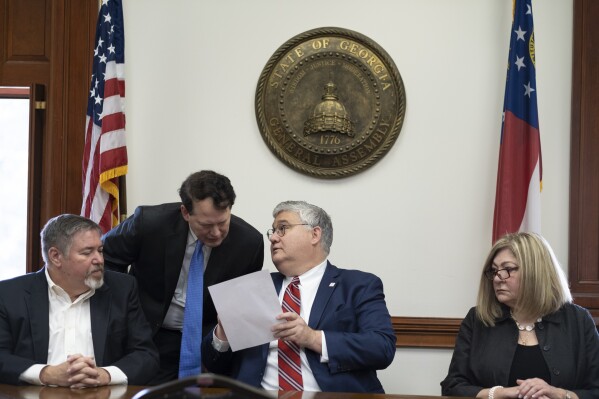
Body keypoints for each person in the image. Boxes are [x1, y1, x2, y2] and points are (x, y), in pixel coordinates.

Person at [202, 200, 396, 393]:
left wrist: (312, 338)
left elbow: (381, 348)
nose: (273, 238)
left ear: (314, 234)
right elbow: (214, 365)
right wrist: (223, 335)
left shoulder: (358, 285)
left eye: (283, 228)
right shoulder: (253, 288)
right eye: (273, 231)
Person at [102, 170, 264, 384]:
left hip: (207, 341)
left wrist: (220, 344)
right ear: (185, 213)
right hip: (147, 334)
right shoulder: (150, 223)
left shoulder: (249, 244)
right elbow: (106, 257)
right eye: (206, 225)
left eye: (222, 222)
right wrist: (122, 311)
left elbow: (242, 310)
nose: (216, 232)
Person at [0, 214, 159, 387]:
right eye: (87, 252)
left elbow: (146, 355)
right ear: (55, 256)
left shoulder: (122, 289)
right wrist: (46, 373)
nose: (99, 260)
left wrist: (105, 375)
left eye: (100, 250)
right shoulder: (10, 294)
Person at [441, 232, 599, 399]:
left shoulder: (578, 321)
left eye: (508, 269)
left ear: (536, 272)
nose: (497, 278)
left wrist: (559, 394)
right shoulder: (478, 319)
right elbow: (452, 386)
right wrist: (500, 393)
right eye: (494, 271)